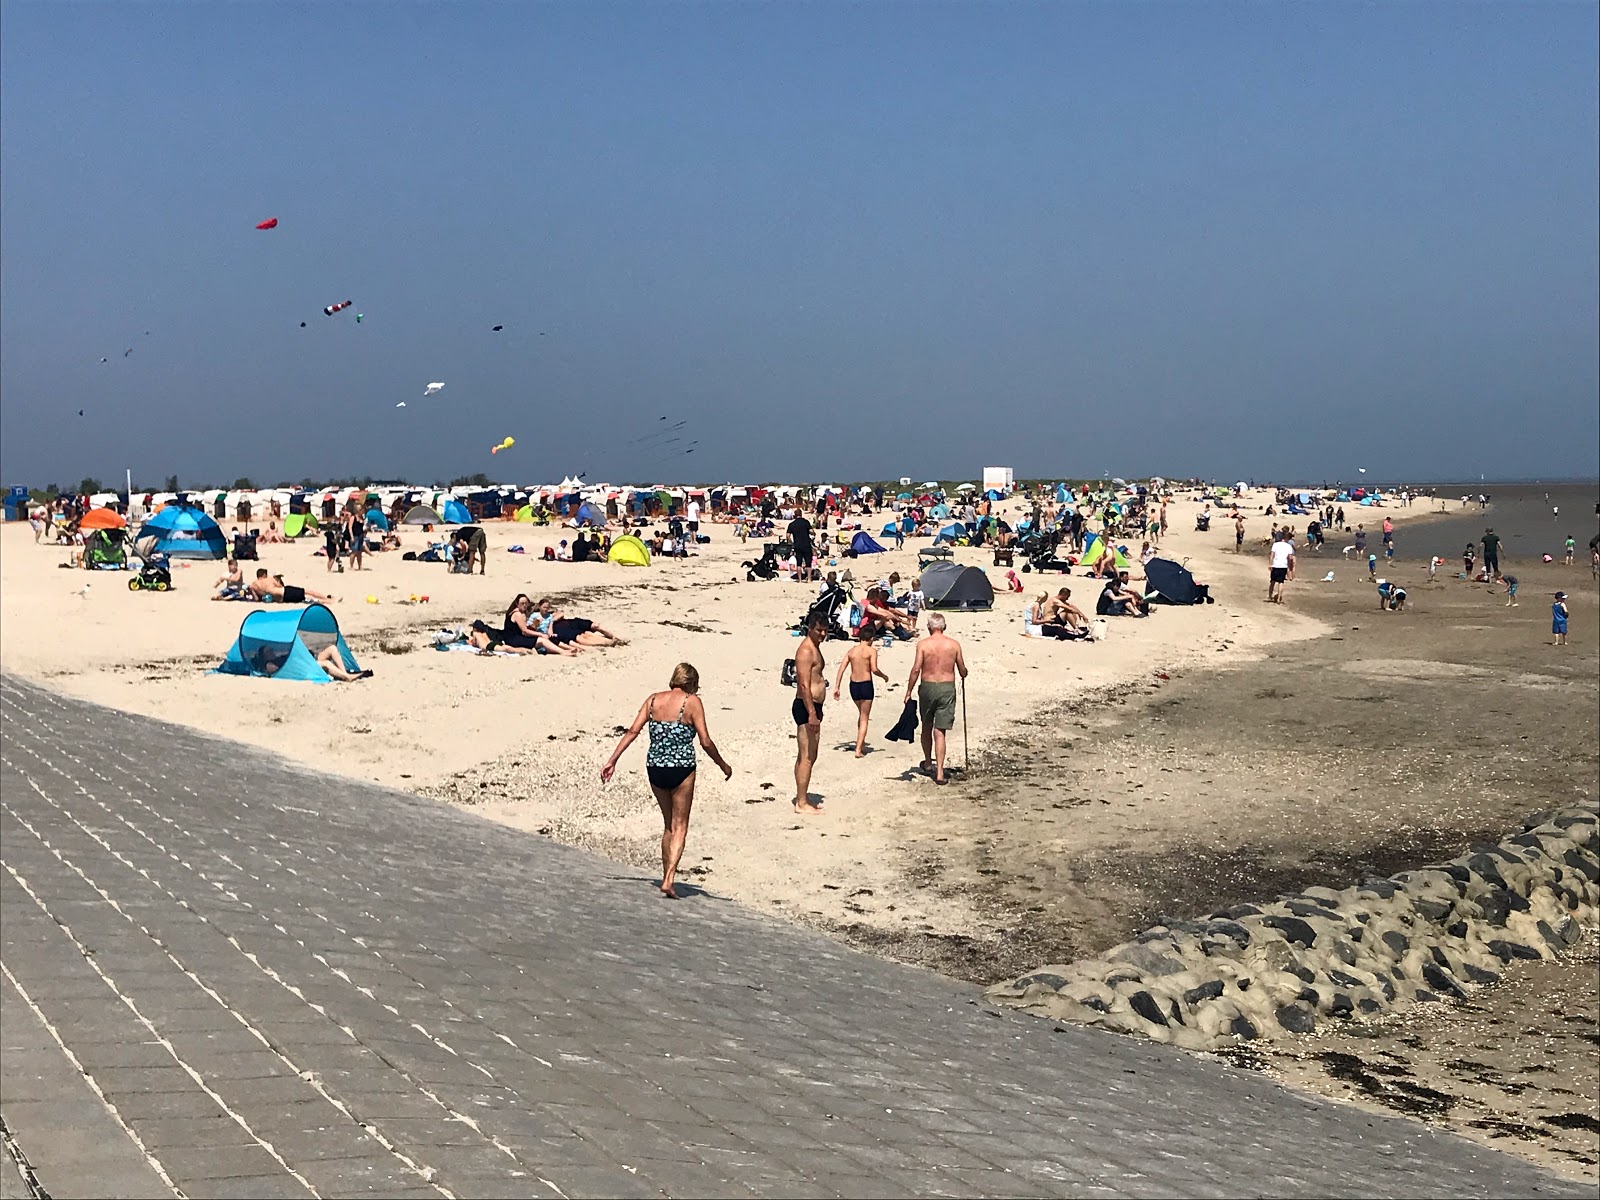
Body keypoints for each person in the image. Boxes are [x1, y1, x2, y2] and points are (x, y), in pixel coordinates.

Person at [600, 663, 732, 899]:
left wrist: (612, 760)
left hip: (655, 768)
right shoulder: (692, 702)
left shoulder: (653, 700)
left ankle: (665, 876)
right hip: (682, 769)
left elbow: (632, 731)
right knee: (680, 824)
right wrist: (723, 764)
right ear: (691, 683)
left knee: (668, 824)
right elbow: (705, 741)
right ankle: (669, 879)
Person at [905, 613, 968, 785]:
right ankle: (939, 772)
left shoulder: (923, 645)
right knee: (940, 731)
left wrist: (909, 691)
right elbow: (962, 669)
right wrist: (964, 673)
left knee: (927, 725)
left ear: (929, 627)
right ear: (944, 627)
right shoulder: (954, 645)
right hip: (947, 688)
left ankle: (927, 762)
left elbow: (916, 669)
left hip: (928, 686)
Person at [792, 611, 828, 813]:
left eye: (825, 630)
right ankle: (802, 803)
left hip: (813, 706)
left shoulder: (815, 648)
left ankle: (801, 796)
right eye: (818, 630)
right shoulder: (806, 651)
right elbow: (804, 685)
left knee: (806, 755)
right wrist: (812, 713)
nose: (822, 634)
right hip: (807, 707)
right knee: (808, 756)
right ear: (810, 629)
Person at [833, 637, 889, 757]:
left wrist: (837, 687)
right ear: (871, 638)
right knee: (864, 717)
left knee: (861, 713)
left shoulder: (852, 651)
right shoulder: (871, 651)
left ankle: (861, 742)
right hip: (865, 685)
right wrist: (884, 676)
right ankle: (858, 750)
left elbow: (841, 669)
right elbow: (874, 669)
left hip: (854, 686)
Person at [498, 598, 580, 656]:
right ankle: (562, 652)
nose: (524, 605)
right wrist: (539, 634)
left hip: (514, 637)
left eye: (526, 603)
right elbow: (525, 631)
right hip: (514, 640)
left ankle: (566, 649)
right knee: (542, 640)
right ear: (517, 604)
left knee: (548, 638)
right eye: (522, 603)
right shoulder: (517, 614)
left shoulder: (518, 613)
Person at [534, 597, 627, 647]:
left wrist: (551, 620)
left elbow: (561, 614)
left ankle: (616, 638)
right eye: (543, 608)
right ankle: (608, 643)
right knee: (582, 637)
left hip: (571, 622)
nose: (545, 609)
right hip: (562, 629)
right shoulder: (537, 618)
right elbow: (535, 627)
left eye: (546, 607)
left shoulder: (551, 614)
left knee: (595, 626)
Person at [247, 569, 334, 605]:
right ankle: (327, 600)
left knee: (304, 599)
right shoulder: (269, 579)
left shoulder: (253, 585)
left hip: (282, 599)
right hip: (285, 591)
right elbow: (281, 586)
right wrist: (279, 579)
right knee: (307, 592)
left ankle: (327, 600)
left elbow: (256, 599)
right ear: (264, 574)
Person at [1268, 531, 1295, 604]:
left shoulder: (1275, 545)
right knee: (1281, 582)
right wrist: (1290, 568)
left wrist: (1270, 564)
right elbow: (1290, 558)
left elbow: (1272, 555)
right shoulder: (1288, 546)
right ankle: (1279, 598)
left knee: (1272, 581)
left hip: (1275, 565)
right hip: (1283, 565)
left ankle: (1270, 596)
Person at [787, 511, 815, 581]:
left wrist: (792, 543)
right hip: (806, 544)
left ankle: (799, 580)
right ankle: (808, 578)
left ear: (795, 515)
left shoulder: (792, 524)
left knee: (799, 563)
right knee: (808, 563)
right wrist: (813, 533)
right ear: (801, 514)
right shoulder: (806, 522)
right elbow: (811, 531)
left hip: (797, 545)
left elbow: (788, 536)